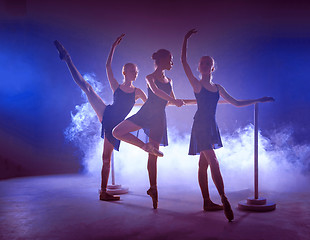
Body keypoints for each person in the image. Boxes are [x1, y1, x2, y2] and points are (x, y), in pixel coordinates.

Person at [181, 29, 274, 221]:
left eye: (209, 63)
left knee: (203, 164)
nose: (205, 65)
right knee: (213, 161)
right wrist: (185, 39)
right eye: (203, 63)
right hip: (200, 125)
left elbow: (236, 102)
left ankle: (206, 202)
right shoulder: (197, 84)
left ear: (212, 68)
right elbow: (183, 62)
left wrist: (258, 99)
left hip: (211, 125)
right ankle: (223, 198)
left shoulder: (218, 87)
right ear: (199, 67)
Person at [54, 34, 147, 201]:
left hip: (117, 126)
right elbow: (107, 67)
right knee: (88, 88)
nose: (136, 73)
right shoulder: (116, 86)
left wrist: (169, 102)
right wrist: (113, 47)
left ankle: (104, 192)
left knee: (106, 159)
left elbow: (149, 106)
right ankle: (67, 58)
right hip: (107, 113)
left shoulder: (138, 92)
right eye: (132, 70)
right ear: (125, 72)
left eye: (137, 71)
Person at [113, 49, 184, 209]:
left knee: (153, 157)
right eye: (170, 60)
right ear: (162, 60)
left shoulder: (170, 80)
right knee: (116, 132)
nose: (172, 63)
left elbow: (171, 100)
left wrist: (179, 101)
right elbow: (157, 92)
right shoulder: (149, 77)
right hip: (146, 113)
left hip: (159, 118)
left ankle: (153, 188)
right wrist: (174, 99)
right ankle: (144, 146)